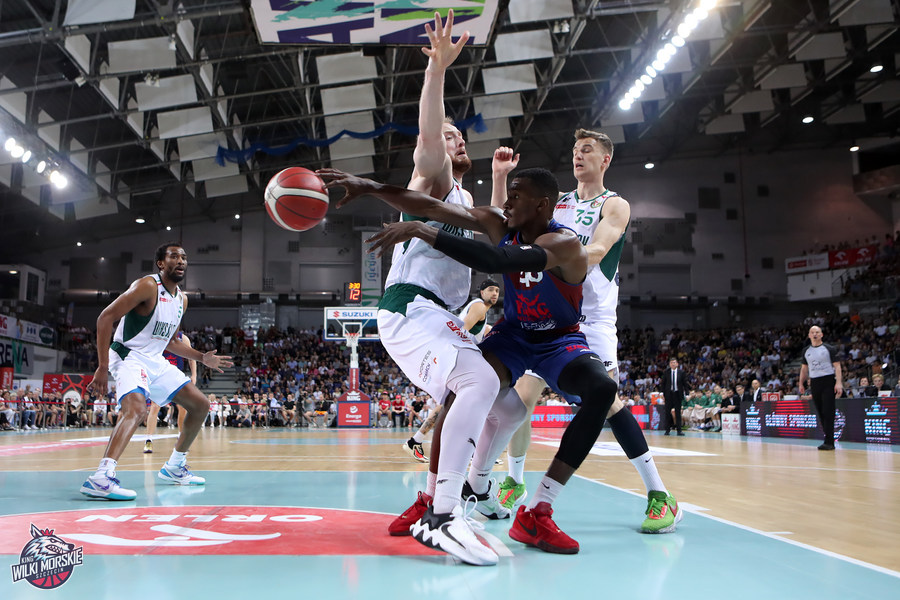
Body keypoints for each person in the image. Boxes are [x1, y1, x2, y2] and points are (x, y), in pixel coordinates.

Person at [321, 165, 621, 556]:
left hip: (558, 339)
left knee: (602, 390)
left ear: (542, 205)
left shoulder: (564, 244)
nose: (507, 202)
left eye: (517, 195)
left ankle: (538, 510)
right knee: (466, 386)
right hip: (514, 335)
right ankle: (436, 499)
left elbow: (496, 260)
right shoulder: (501, 223)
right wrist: (371, 186)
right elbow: (431, 206)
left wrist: (422, 230)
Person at [325, 10, 503, 567]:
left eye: (459, 136)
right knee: (478, 381)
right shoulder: (433, 178)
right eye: (449, 136)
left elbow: (493, 229)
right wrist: (437, 71)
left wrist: (499, 179)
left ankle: (433, 503)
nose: (455, 140)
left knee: (464, 398)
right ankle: (446, 514)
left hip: (436, 313)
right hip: (411, 307)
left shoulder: (463, 199)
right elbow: (428, 141)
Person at [487, 130, 680, 532]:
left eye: (587, 150)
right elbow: (508, 223)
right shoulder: (557, 202)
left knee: (608, 403)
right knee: (521, 398)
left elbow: (597, 250)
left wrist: (548, 258)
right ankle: (514, 481)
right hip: (551, 317)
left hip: (591, 320)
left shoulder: (614, 205)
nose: (578, 155)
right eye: (575, 150)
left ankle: (660, 494)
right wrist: (501, 179)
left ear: (605, 159)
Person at [80, 243, 233, 500]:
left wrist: (202, 357)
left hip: (155, 359)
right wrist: (103, 367)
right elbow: (105, 318)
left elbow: (171, 341)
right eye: (174, 256)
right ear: (161, 263)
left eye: (184, 257)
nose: (181, 260)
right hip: (128, 355)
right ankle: (101, 477)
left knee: (200, 405)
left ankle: (174, 466)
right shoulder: (147, 286)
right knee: (137, 409)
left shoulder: (182, 299)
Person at [401, 279, 499, 463]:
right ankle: (472, 451)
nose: (495, 293)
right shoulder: (479, 307)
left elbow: (480, 330)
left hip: (450, 355)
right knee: (475, 399)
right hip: (456, 356)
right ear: (482, 292)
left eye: (497, 291)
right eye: (491, 290)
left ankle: (416, 441)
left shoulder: (479, 310)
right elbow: (462, 330)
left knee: (449, 402)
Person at [144, 331, 197, 453]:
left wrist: (194, 375)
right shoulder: (158, 334)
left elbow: (191, 358)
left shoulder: (183, 338)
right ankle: (148, 440)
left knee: (182, 407)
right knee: (155, 406)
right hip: (159, 376)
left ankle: (181, 439)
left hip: (176, 376)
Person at [798, 325, 842, 451]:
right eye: (812, 332)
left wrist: (839, 383)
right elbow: (804, 369)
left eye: (817, 332)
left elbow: (837, 366)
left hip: (828, 380)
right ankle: (827, 439)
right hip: (814, 382)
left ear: (821, 334)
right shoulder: (806, 350)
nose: (815, 334)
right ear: (809, 335)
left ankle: (830, 442)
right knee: (821, 411)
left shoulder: (829, 348)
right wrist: (801, 383)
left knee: (828, 411)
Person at [662, 357, 688, 436]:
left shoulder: (681, 372)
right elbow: (663, 383)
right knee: (667, 413)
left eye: (674, 362)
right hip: (669, 394)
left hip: (677, 394)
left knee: (678, 413)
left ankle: (679, 430)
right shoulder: (666, 372)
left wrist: (687, 394)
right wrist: (662, 394)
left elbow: (685, 384)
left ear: (677, 364)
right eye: (671, 363)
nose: (673, 364)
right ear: (669, 364)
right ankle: (667, 430)